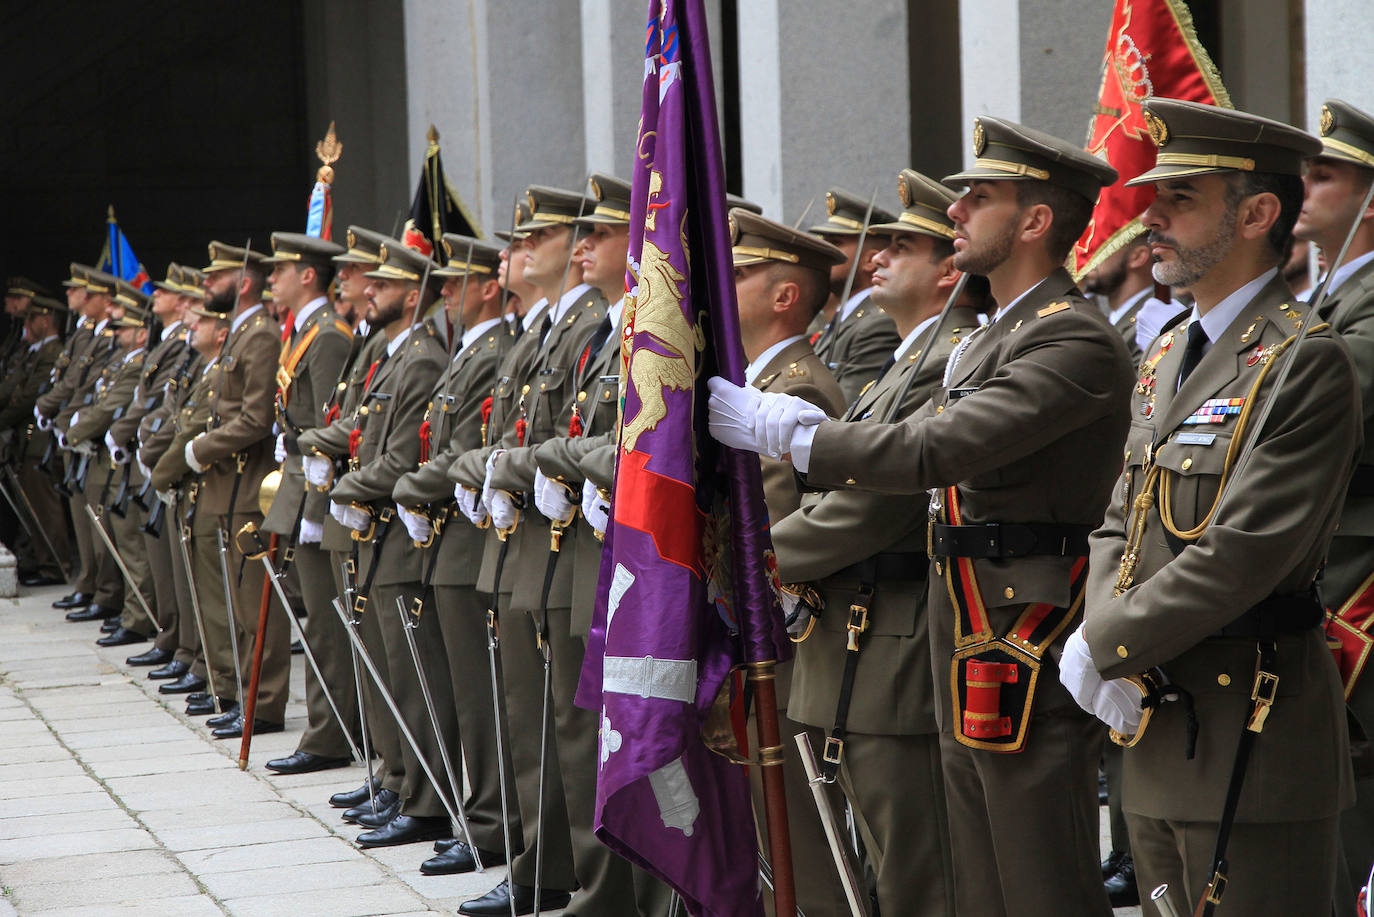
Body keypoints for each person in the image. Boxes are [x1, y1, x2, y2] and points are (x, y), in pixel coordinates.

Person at [708, 114, 1130, 917]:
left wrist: (784, 430)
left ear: (1036, 222)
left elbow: (933, 449)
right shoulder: (981, 344)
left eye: (980, 197)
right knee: (977, 882)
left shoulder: (1073, 338)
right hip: (961, 628)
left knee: (1039, 878)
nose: (959, 211)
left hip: (1026, 630)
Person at [1068, 98, 1358, 915]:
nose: (1149, 217)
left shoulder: (1305, 360)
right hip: (1161, 721)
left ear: (1258, 212)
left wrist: (1105, 640)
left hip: (1251, 725)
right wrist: (1105, 636)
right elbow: (1120, 518)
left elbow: (1245, 549)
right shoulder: (1166, 353)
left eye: (1181, 198)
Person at [768, 169, 988, 916]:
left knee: (918, 872)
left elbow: (873, 503)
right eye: (882, 242)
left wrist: (759, 556)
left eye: (904, 245)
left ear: (949, 270)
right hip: (858, 638)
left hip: (895, 640)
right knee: (880, 858)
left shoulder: (947, 356)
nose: (878, 256)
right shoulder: (903, 360)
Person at [1294, 97, 1374, 914]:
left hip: (1362, 580)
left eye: (1326, 175)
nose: (1304, 188)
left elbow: (1330, 399)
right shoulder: (1324, 297)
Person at [256, 231, 358, 776]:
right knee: (313, 617)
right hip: (297, 483)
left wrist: (318, 508)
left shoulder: (328, 337)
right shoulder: (307, 332)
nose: (270, 279)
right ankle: (331, 728)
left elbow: (330, 428)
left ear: (308, 276)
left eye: (280, 270)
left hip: (317, 489)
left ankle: (329, 735)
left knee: (323, 619)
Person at [808, 188, 901, 403]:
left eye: (835, 243)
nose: (823, 251)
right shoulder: (845, 319)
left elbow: (848, 409)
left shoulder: (879, 324)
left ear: (872, 260)